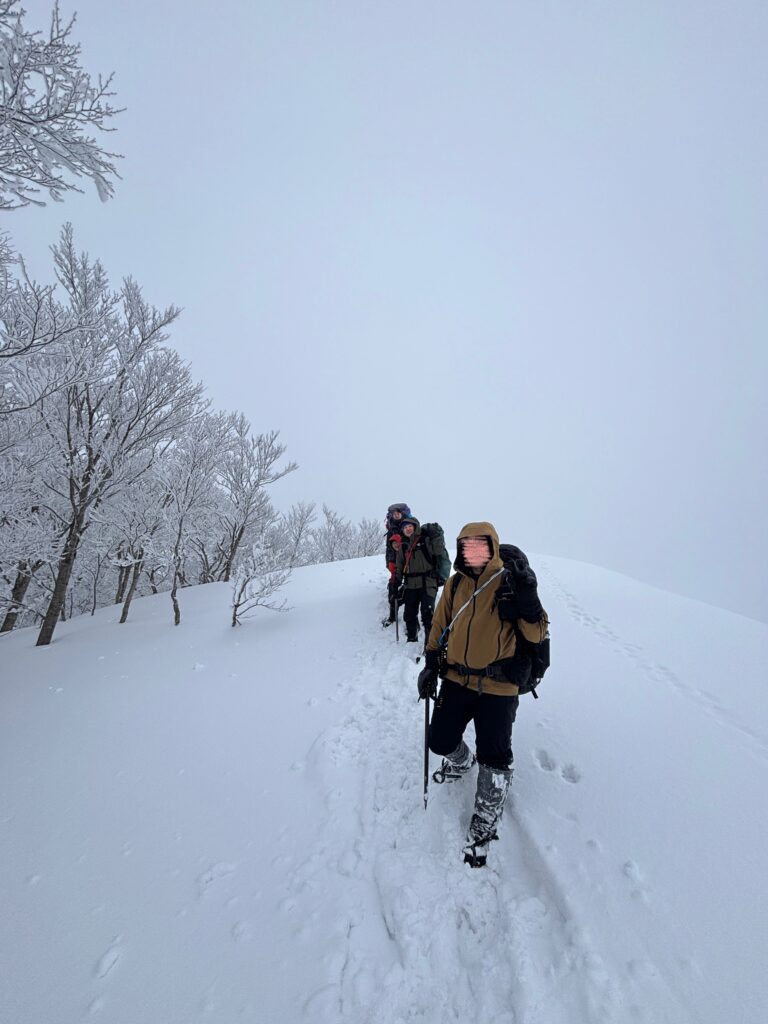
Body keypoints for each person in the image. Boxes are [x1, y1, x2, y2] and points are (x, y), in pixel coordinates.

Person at [417, 521, 549, 867]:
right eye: (467, 547)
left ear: (492, 547)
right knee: (440, 740)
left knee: (495, 755)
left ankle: (485, 820)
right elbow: (439, 624)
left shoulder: (509, 582)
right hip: (457, 679)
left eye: (481, 547)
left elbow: (536, 634)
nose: (473, 554)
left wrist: (528, 598)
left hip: (499, 686)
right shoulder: (456, 583)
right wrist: (431, 662)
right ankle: (463, 761)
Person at [395, 516, 449, 646]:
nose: (407, 529)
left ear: (415, 527)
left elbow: (438, 551)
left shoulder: (425, 540)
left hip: (428, 582)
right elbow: (399, 565)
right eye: (405, 528)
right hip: (410, 584)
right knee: (409, 614)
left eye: (410, 527)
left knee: (428, 614)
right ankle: (412, 639)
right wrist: (395, 582)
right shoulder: (403, 546)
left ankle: (429, 643)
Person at [383, 503, 411, 626]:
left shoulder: (409, 526)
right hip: (396, 564)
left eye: (398, 513)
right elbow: (389, 549)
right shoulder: (391, 529)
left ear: (403, 513)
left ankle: (411, 618)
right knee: (393, 588)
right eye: (394, 513)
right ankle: (392, 616)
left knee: (410, 590)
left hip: (410, 563)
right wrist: (389, 563)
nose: (396, 515)